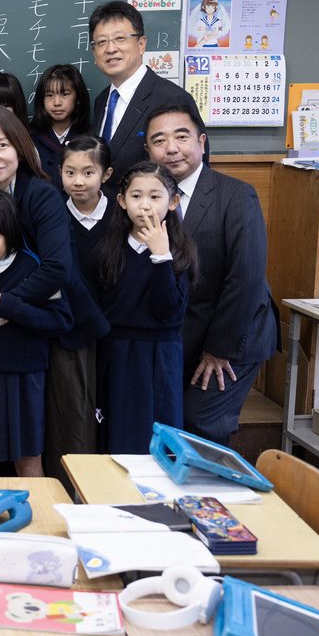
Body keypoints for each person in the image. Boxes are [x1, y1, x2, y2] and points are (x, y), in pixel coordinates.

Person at [144, 104, 278, 446]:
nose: (171, 148)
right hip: (185, 334)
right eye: (159, 140)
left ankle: (212, 499)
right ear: (148, 151)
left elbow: (245, 279)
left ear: (202, 142)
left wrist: (219, 350)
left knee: (202, 422)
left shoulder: (235, 195)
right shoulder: (148, 198)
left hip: (234, 335)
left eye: (182, 137)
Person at [0, 190, 72, 478]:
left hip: (26, 377)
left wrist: (8, 309)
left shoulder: (31, 268)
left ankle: (40, 521)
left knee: (28, 459)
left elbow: (60, 320)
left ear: (10, 234)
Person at [94, 161, 196, 453]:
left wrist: (160, 255)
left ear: (173, 202)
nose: (145, 205)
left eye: (155, 196)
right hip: (117, 352)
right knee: (116, 434)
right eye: (136, 196)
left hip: (160, 354)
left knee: (157, 437)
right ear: (122, 201)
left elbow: (169, 311)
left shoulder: (179, 250)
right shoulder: (109, 248)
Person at [0, 106, 72, 317]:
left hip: (53, 319)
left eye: (2, 145)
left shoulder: (42, 196)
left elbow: (56, 268)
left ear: (19, 148)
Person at [44, 135, 112, 482]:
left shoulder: (121, 213)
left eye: (88, 172)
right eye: (70, 172)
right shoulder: (53, 213)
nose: (78, 181)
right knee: (73, 415)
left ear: (106, 174)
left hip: (116, 328)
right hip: (71, 330)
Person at [90, 1, 204, 192]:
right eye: (101, 42)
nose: (110, 49)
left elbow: (196, 171)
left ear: (141, 44)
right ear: (94, 52)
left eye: (120, 38)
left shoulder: (172, 98)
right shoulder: (101, 101)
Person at [30, 64, 92, 188]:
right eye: (49, 95)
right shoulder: (30, 137)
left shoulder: (90, 137)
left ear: (78, 98)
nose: (57, 103)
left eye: (65, 94)